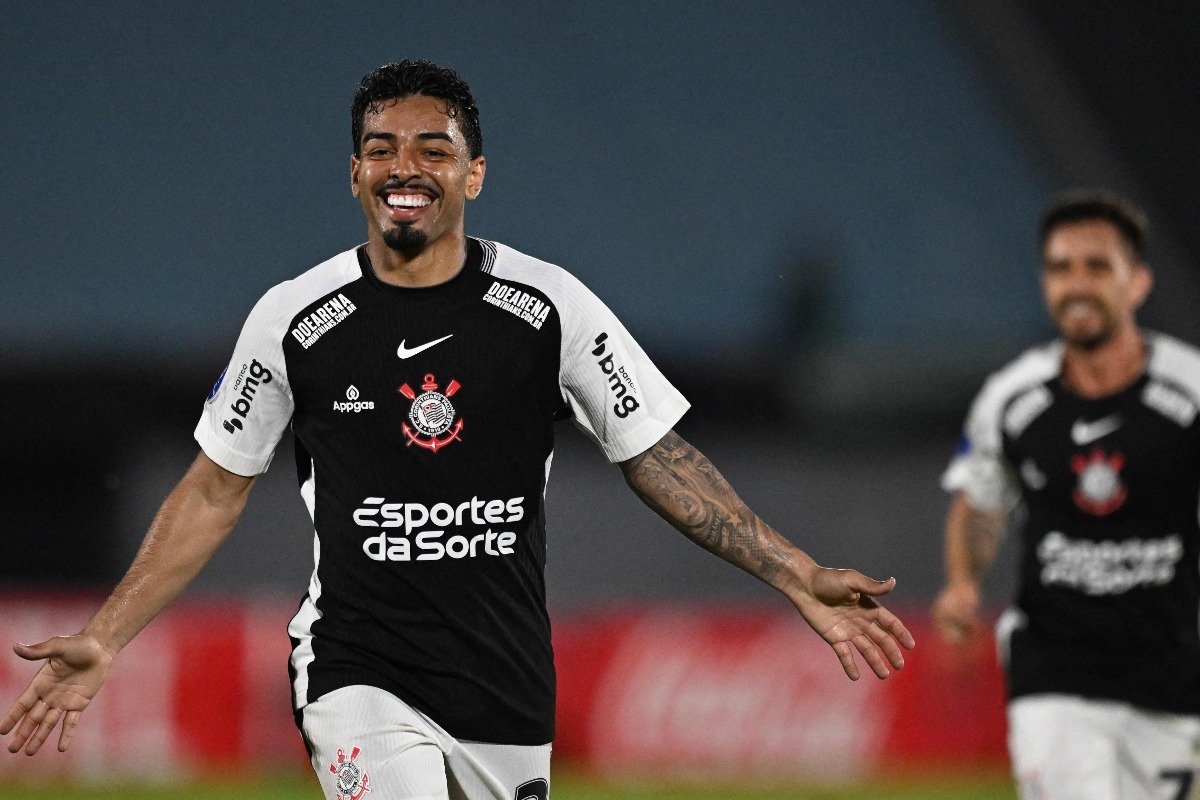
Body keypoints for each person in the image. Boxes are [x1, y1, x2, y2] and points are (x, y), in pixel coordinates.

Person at [2, 61, 914, 800]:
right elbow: (213, 486)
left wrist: (797, 573)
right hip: (357, 666)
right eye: (380, 148)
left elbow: (658, 457)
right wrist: (110, 634)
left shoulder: (550, 306)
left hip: (503, 678)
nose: (405, 167)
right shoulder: (294, 318)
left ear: (473, 173)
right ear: (354, 171)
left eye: (432, 149)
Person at [934, 190, 1200, 800]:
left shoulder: (1190, 393)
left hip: (1172, 674)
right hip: (1055, 670)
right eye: (1060, 268)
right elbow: (979, 504)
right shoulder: (1012, 398)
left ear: (1138, 283)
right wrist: (964, 582)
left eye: (1097, 266)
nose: (1076, 284)